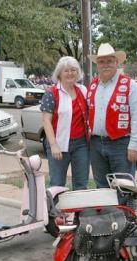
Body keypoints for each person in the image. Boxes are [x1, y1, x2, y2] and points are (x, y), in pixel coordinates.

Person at [87, 43, 137, 188]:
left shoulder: (129, 85)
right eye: (101, 61)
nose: (105, 65)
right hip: (96, 144)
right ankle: (108, 211)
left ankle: (124, 211)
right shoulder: (92, 86)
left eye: (109, 61)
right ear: (97, 65)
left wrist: (135, 146)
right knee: (102, 186)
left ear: (116, 62)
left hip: (121, 144)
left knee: (124, 186)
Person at [40, 56, 89, 190]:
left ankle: (79, 211)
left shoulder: (83, 91)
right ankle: (55, 211)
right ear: (59, 74)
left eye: (73, 70)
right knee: (57, 184)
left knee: (81, 184)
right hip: (58, 144)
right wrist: (54, 145)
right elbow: (46, 121)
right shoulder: (51, 94)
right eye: (66, 70)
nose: (70, 73)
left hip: (81, 145)